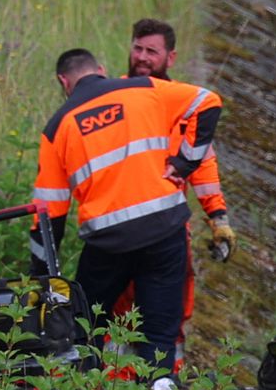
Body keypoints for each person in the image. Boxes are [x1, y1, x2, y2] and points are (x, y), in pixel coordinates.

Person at [32, 48, 223, 368]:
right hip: (165, 228)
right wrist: (185, 162)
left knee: (86, 325)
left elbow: (48, 216)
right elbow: (207, 101)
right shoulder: (143, 88)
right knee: (160, 333)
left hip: (109, 240)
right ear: (102, 70)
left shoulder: (57, 127)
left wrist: (41, 278)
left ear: (63, 81)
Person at [116, 18, 235, 366]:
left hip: (168, 226)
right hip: (119, 223)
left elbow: (204, 165)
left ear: (171, 57)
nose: (141, 57)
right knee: (117, 312)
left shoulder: (186, 105)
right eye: (137, 48)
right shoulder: (113, 97)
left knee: (171, 311)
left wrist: (218, 218)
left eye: (151, 51)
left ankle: (165, 386)